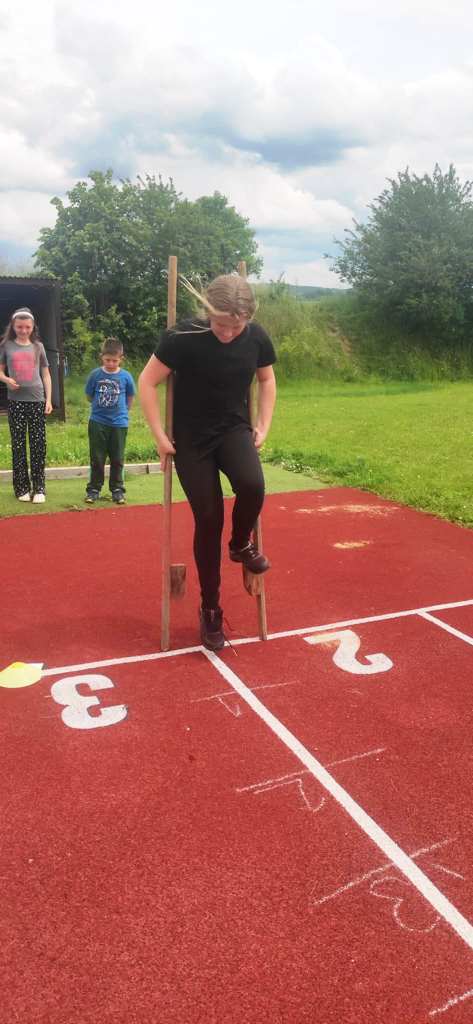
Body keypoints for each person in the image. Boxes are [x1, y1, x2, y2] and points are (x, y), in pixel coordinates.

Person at [138, 273, 277, 651]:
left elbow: (266, 380)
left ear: (248, 318)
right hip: (192, 441)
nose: (228, 333)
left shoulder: (256, 337)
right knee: (209, 518)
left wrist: (264, 424)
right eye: (220, 324)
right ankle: (211, 609)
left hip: (234, 430)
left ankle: (240, 544)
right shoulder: (181, 337)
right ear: (207, 312)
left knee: (253, 485)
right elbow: (147, 382)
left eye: (236, 326)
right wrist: (159, 436)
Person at [0, 306, 52, 503]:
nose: (23, 330)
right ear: (13, 326)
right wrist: (6, 380)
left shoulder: (38, 347)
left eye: (27, 327)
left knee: (38, 446)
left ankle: (39, 488)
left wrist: (48, 399)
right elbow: (0, 371)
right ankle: (21, 488)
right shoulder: (6, 346)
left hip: (37, 401)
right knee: (19, 445)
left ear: (33, 327)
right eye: (19, 327)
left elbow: (46, 374)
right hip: (16, 402)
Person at [84, 337, 136, 504]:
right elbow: (89, 395)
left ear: (121, 358)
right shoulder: (95, 375)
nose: (111, 364)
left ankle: (117, 489)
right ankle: (94, 489)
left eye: (114, 360)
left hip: (119, 423)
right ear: (102, 357)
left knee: (117, 458)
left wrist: (124, 412)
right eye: (107, 360)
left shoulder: (126, 376)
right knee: (97, 458)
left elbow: (130, 396)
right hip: (98, 421)